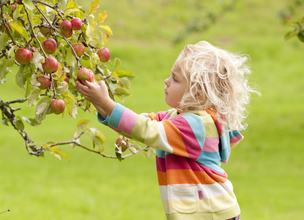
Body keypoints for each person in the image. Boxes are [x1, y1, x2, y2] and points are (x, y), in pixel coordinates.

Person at [75, 41, 259, 220]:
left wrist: (107, 102)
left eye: (175, 79)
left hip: (210, 214)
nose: (166, 81)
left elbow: (146, 130)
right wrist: (99, 102)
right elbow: (139, 124)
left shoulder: (196, 126)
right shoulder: (177, 117)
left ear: (197, 94)